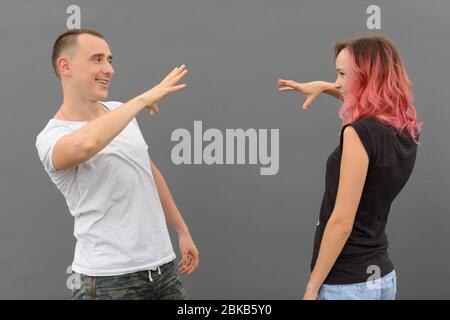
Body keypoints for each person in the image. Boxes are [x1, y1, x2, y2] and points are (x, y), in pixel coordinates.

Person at [35, 29, 199, 300]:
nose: (108, 69)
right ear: (65, 66)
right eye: (97, 59)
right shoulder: (51, 138)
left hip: (163, 270)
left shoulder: (120, 111)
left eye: (110, 60)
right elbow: (87, 144)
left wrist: (182, 231)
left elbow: (147, 172)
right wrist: (142, 100)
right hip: (108, 280)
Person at [278, 34, 421, 300]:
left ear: (367, 77)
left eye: (343, 74)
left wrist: (312, 287)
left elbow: (342, 222)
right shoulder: (405, 127)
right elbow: (372, 103)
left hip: (347, 284)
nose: (338, 83)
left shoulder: (358, 134)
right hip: (381, 277)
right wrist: (322, 86)